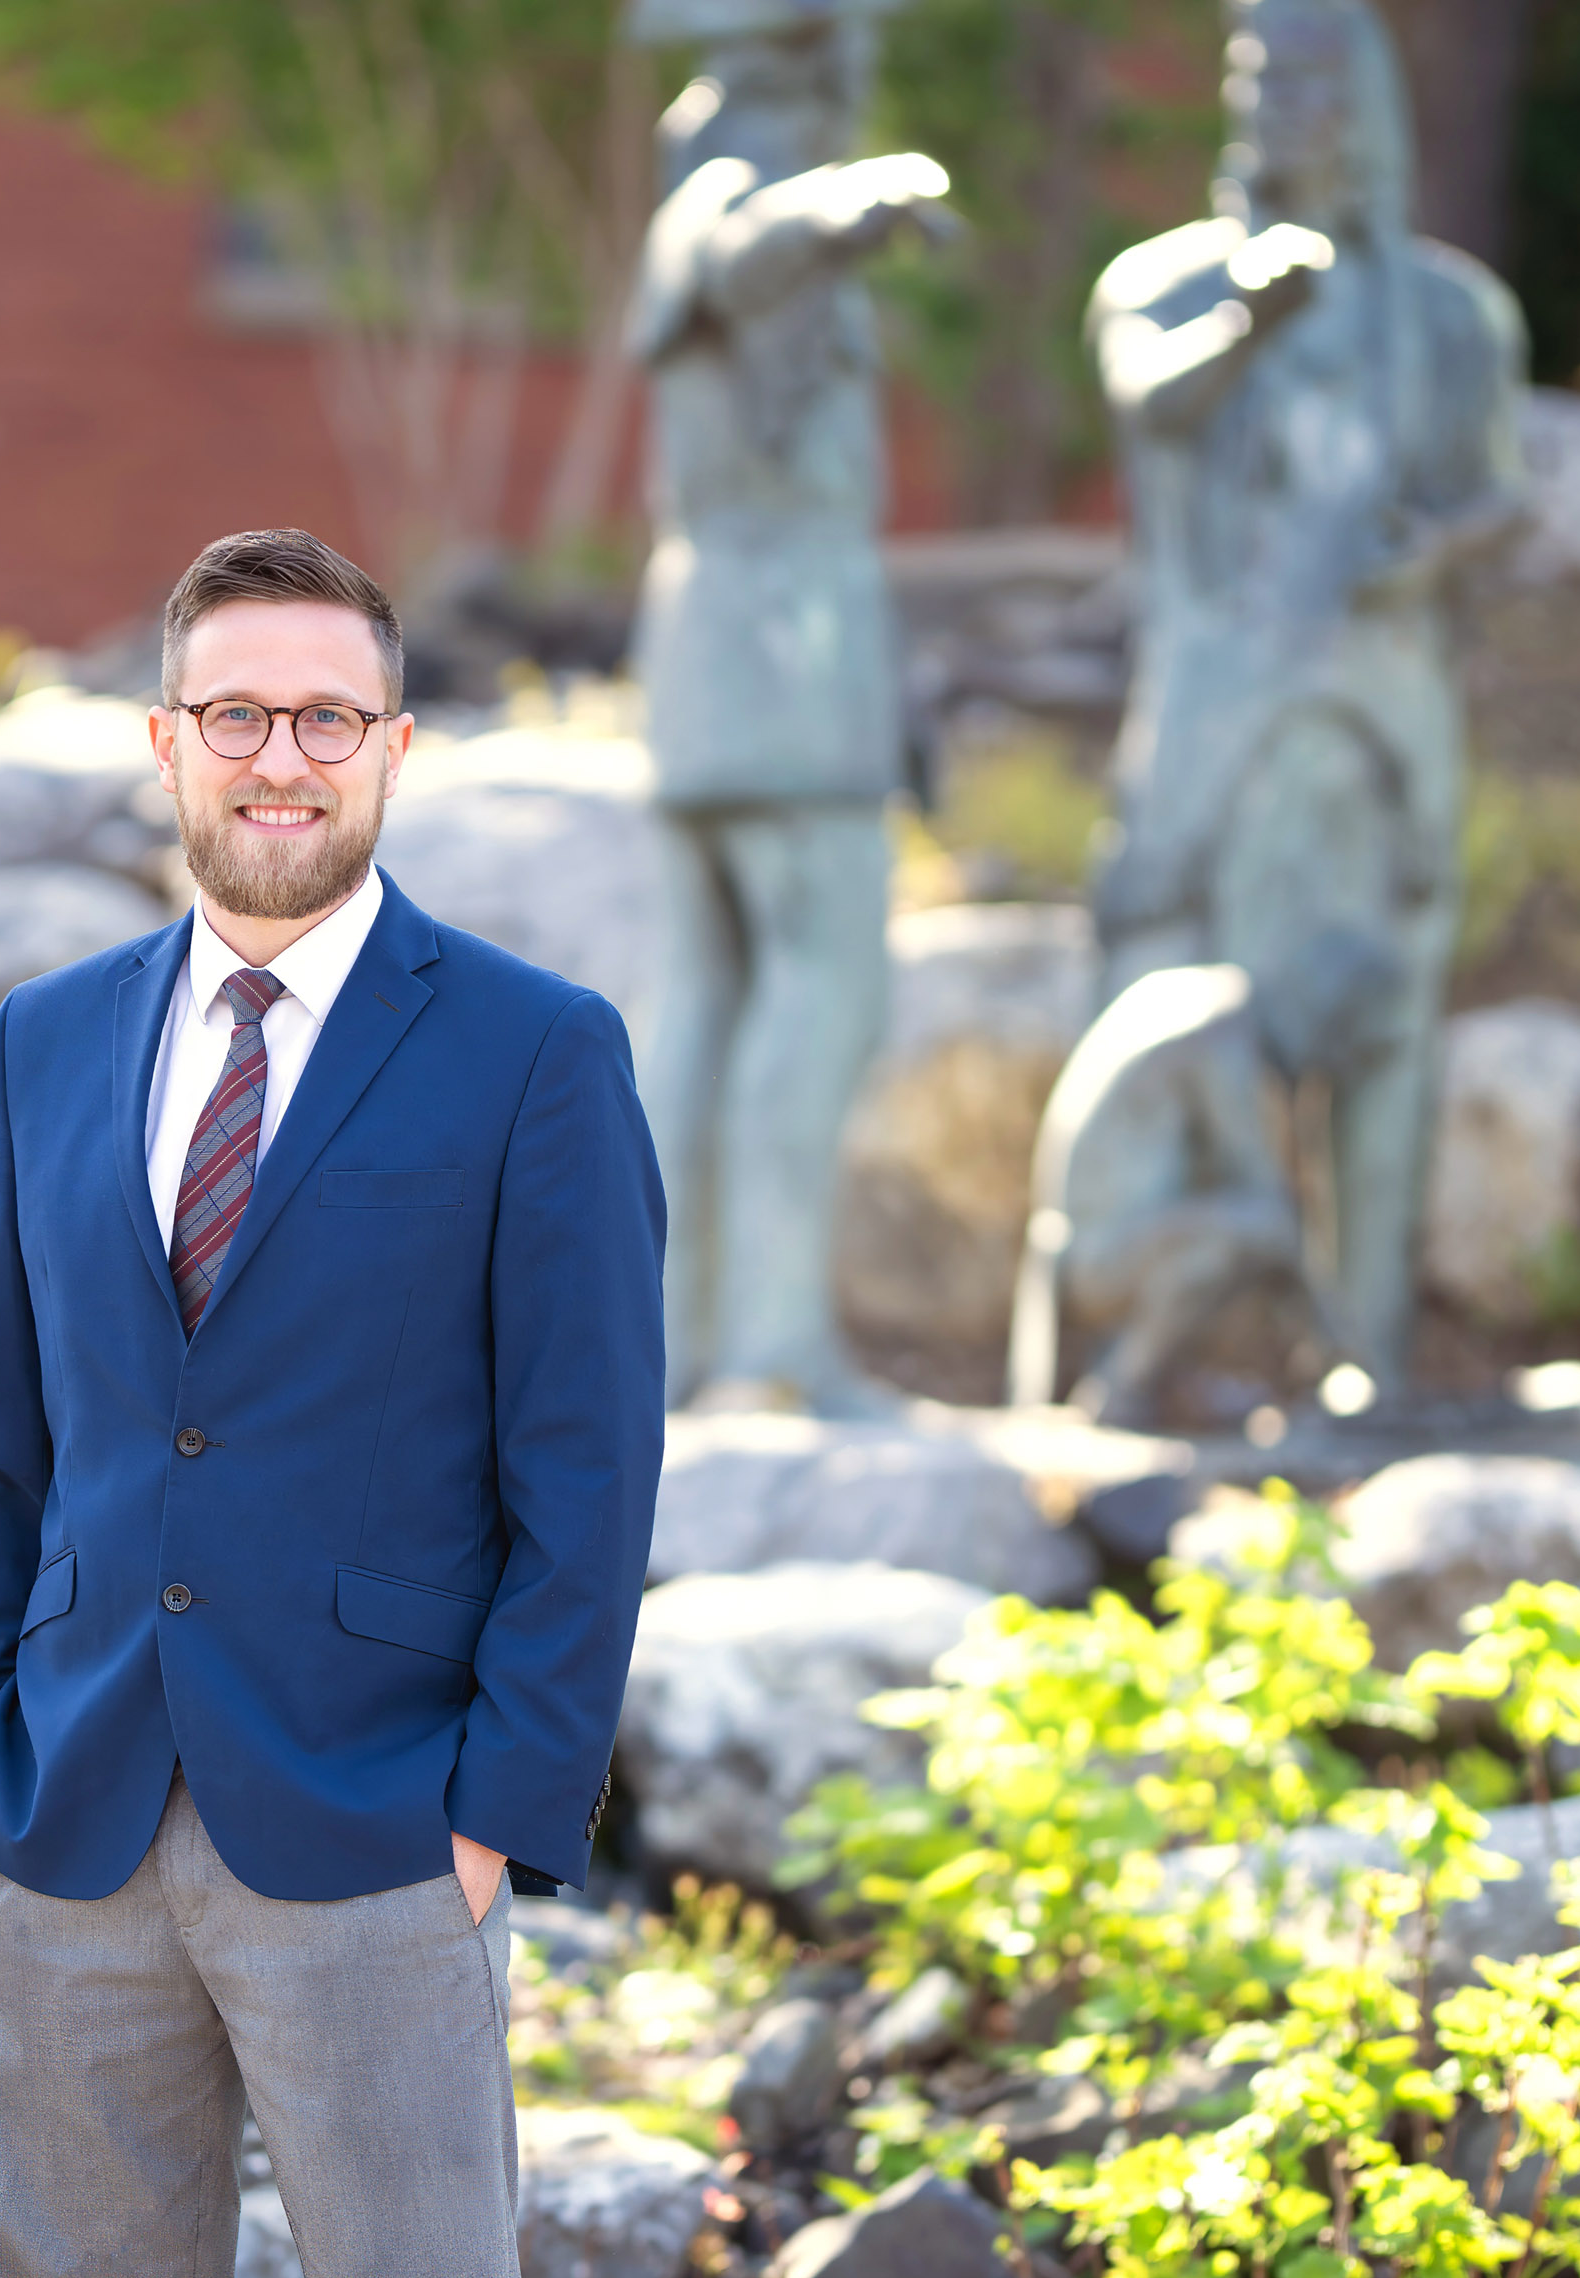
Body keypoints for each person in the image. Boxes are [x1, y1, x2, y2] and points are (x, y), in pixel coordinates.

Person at [0, 527, 668, 2278]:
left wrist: (497, 1804)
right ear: (164, 740)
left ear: (392, 749)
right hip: (57, 1824)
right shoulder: (45, 1043)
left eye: (322, 716)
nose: (278, 757)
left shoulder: (533, 1049)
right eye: (234, 713)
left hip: (370, 1825)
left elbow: (587, 1467)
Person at [1082, 0, 1524, 1400]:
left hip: (1378, 729)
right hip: (1214, 728)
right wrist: (1245, 322)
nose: (1276, 108)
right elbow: (1151, 400)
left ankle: (1368, 1351)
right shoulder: (1159, 285)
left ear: (1372, 106)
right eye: (1253, 78)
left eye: (1311, 82)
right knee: (1168, 1008)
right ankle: (1155, 1356)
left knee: (1384, 1017)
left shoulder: (1450, 316)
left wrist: (1437, 545)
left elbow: (1495, 495)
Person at [625, 0, 955, 1413]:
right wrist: (855, 200)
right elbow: (735, 247)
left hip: (746, 648)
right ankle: (766, 1344)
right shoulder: (727, 199)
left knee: (710, 995)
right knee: (815, 985)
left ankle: (679, 1342)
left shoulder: (747, 214)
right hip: (776, 649)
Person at [1008, 933, 1394, 1428]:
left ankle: (1178, 1382)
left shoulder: (1204, 1000)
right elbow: (1267, 1198)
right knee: (1258, 1227)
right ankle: (1125, 1387)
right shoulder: (1221, 1033)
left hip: (1096, 1246)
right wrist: (1347, 1351)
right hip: (1098, 1258)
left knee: (1240, 1227)